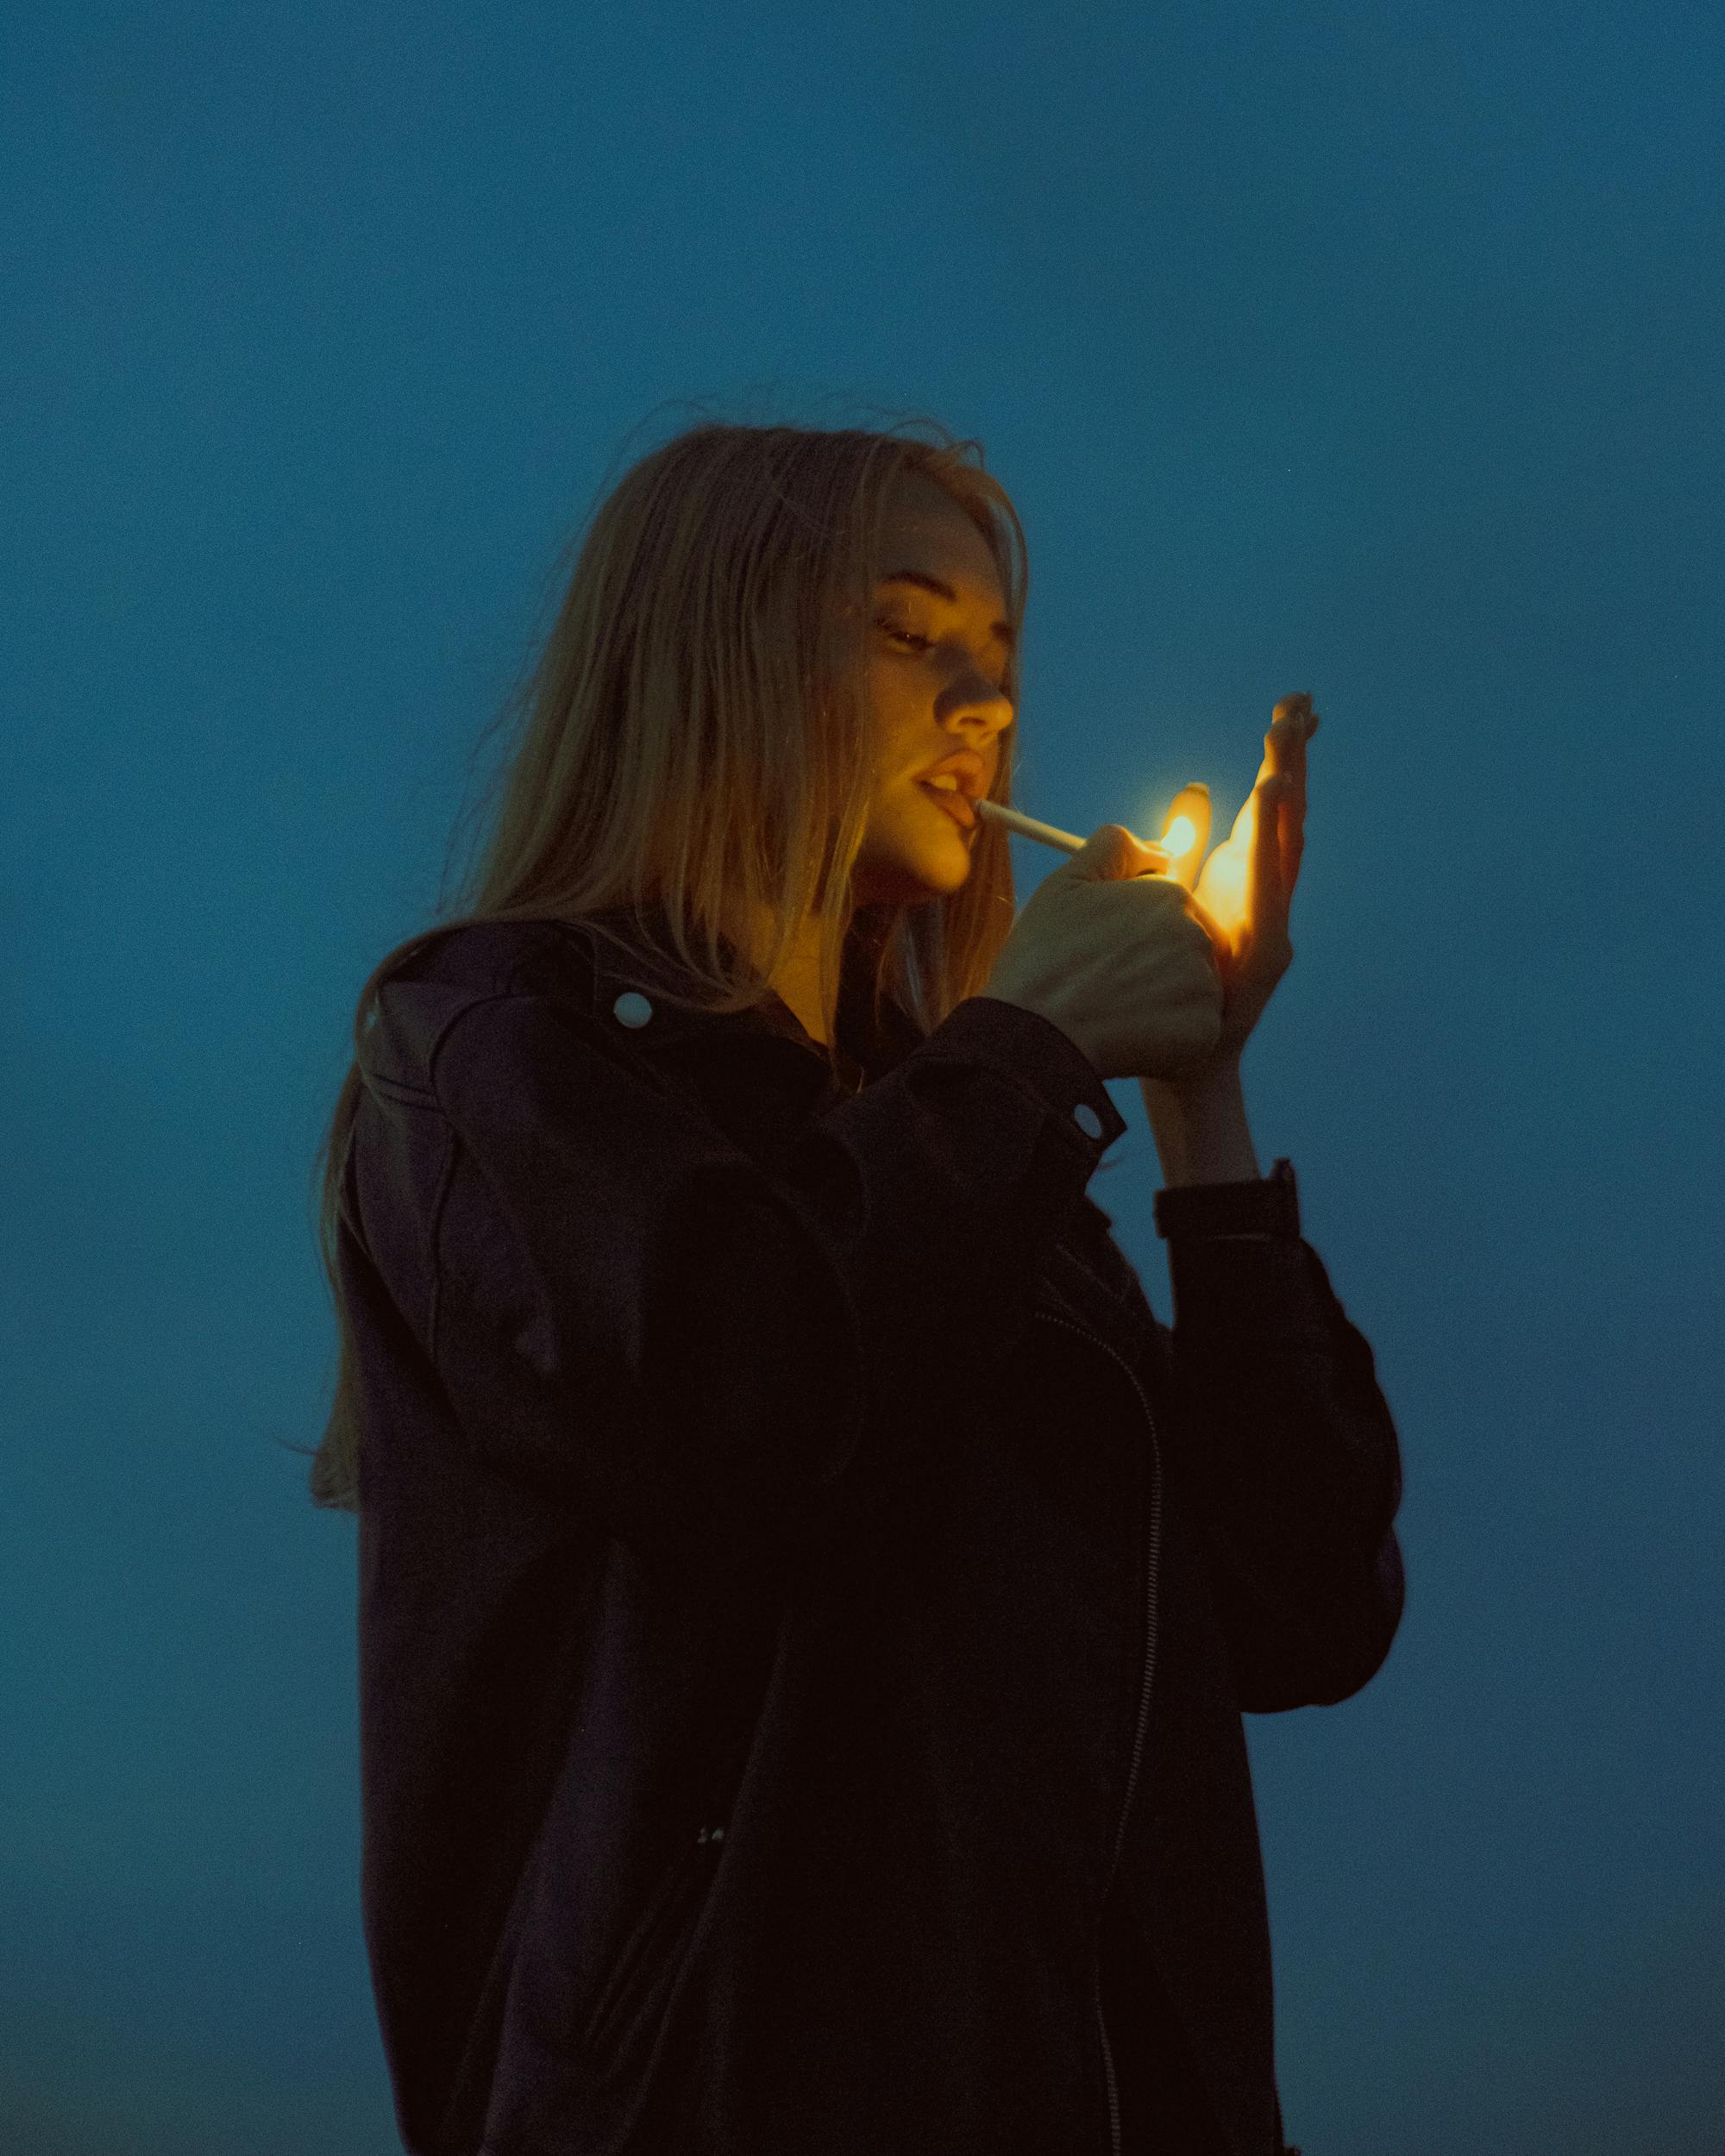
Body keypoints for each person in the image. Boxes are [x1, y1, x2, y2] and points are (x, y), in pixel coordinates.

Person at [302, 416, 1403, 2154]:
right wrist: (1024, 1051)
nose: (984, 701)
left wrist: (1199, 1095)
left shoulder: (960, 1150)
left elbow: (1299, 1611)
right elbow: (740, 1403)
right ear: (709, 653)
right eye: (907, 632)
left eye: (999, 655)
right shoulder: (502, 1045)